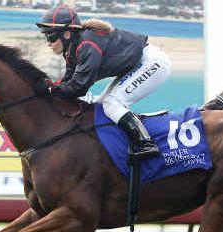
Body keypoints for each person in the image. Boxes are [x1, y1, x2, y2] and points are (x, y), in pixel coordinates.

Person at [36, 5, 171, 158]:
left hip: (152, 62)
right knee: (100, 105)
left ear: (67, 34)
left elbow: (79, 87)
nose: (48, 42)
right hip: (136, 64)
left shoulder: (87, 45)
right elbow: (69, 81)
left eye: (50, 36)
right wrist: (51, 87)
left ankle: (145, 143)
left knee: (112, 103)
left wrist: (51, 91)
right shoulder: (73, 49)